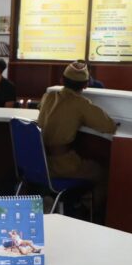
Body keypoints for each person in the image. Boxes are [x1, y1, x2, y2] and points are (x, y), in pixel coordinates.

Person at [38, 61, 117, 223]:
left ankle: (72, 204)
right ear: (86, 85)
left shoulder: (49, 96)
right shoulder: (80, 104)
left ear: (62, 81)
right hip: (62, 165)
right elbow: (109, 126)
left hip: (40, 162)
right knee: (104, 173)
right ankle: (87, 211)